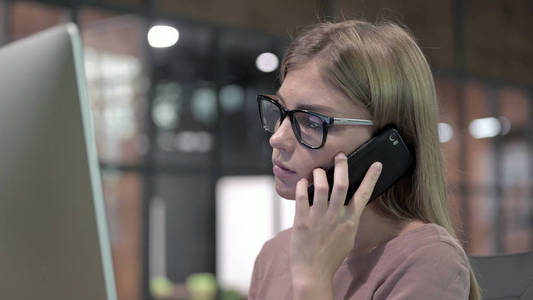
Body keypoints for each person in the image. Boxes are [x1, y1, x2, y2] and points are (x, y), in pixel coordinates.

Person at [249, 19, 481, 300]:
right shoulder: (274, 256)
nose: (277, 138)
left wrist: (312, 280)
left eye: (311, 121)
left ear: (386, 145)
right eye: (280, 110)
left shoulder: (427, 260)